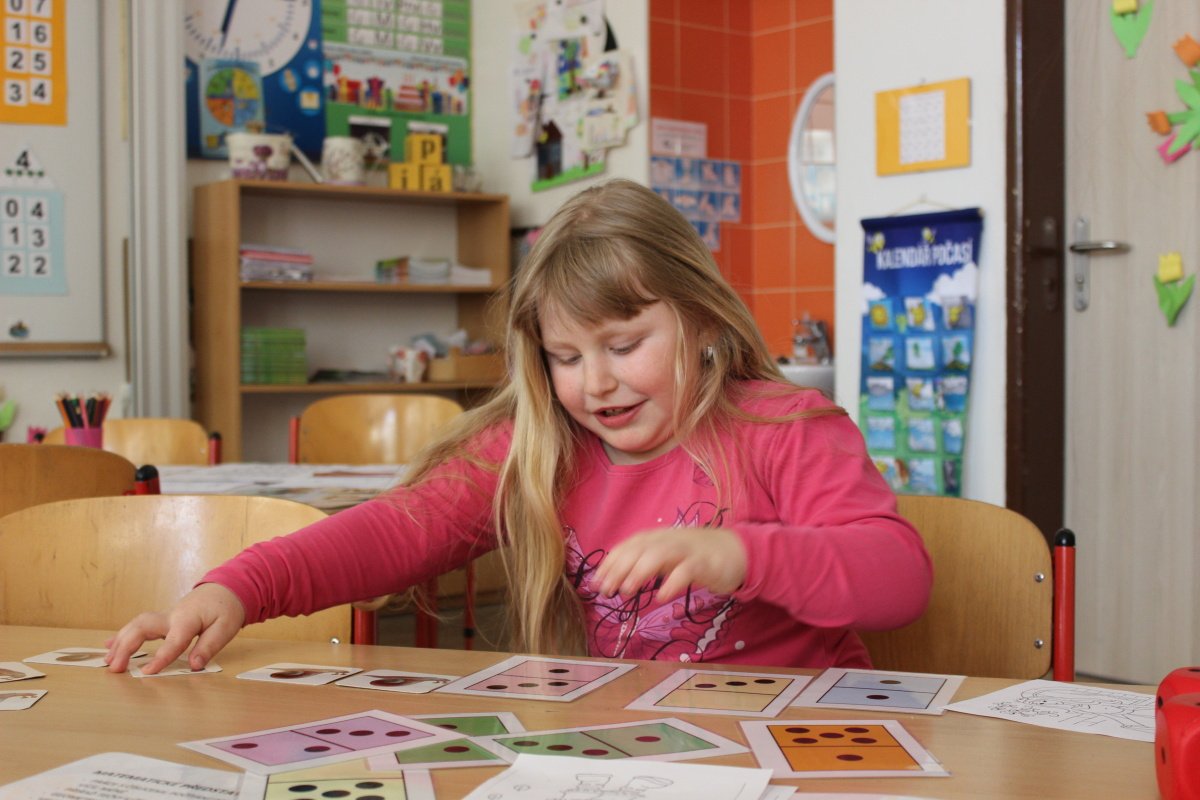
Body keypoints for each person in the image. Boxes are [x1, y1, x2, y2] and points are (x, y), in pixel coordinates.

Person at [106, 179, 932, 675]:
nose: (595, 382)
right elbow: (394, 531)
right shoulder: (543, 445)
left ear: (705, 320)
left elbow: (899, 577)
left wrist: (742, 554)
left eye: (624, 346)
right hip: (649, 752)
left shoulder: (787, 427)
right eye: (565, 356)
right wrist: (237, 588)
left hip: (798, 745)